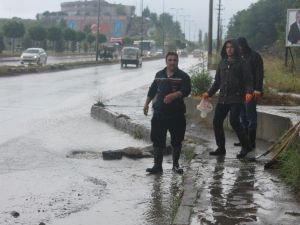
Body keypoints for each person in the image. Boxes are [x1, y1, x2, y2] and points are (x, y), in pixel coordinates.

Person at [202, 39, 253, 159]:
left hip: (237, 97)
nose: (229, 49)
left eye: (231, 47)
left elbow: (248, 80)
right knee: (217, 121)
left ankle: (246, 146)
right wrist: (208, 93)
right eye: (227, 47)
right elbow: (217, 82)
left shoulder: (242, 63)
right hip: (223, 98)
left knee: (234, 121)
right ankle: (221, 148)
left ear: (235, 48)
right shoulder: (223, 63)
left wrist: (249, 92)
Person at [143, 52, 191, 174]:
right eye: (170, 60)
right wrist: (146, 104)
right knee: (157, 140)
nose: (172, 62)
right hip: (159, 113)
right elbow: (152, 89)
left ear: (178, 61)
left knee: (176, 140)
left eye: (175, 60)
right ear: (166, 61)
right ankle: (157, 166)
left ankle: (175, 165)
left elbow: (186, 90)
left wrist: (174, 95)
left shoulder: (183, 76)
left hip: (177, 114)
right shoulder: (159, 75)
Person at [234, 37, 264, 149]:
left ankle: (251, 143)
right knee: (242, 117)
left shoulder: (255, 56)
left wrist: (258, 90)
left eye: (239, 47)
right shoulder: (239, 57)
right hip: (240, 93)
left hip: (251, 92)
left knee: (251, 117)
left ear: (244, 45)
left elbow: (259, 74)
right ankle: (244, 141)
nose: (238, 49)